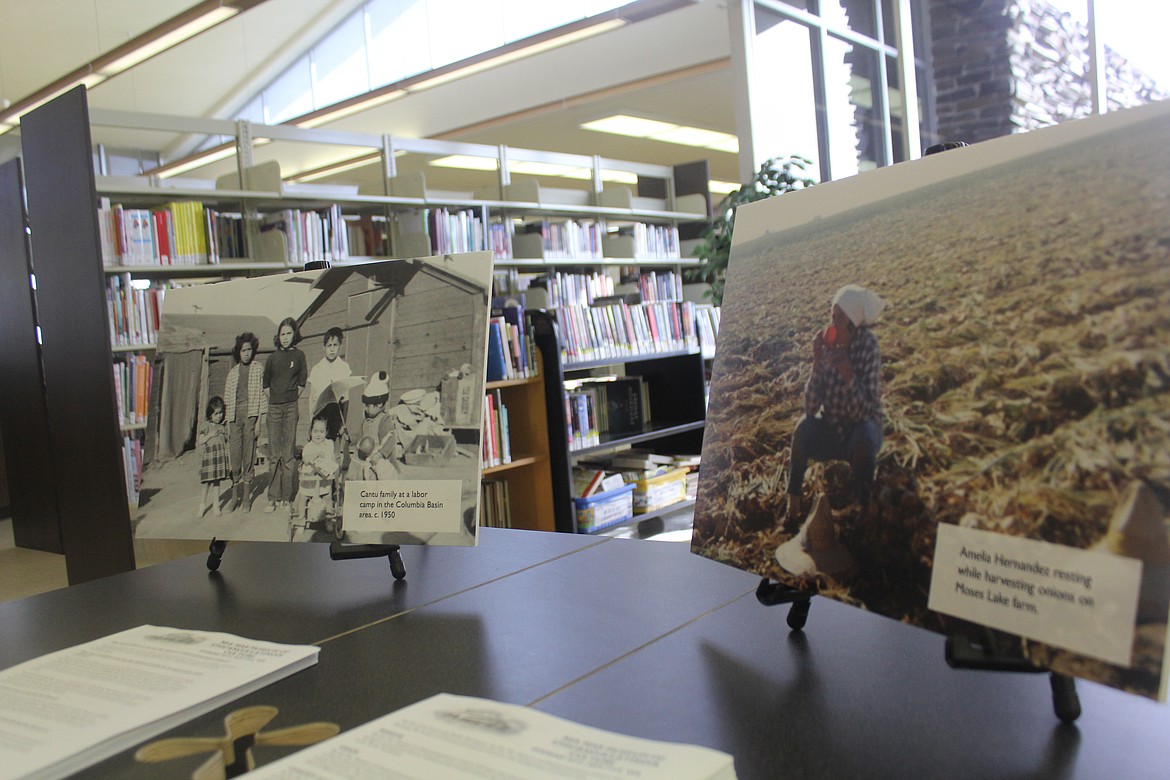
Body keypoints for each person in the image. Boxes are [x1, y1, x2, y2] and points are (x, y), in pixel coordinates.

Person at [786, 284, 886, 519]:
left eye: (839, 319)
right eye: (832, 316)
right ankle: (792, 506)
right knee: (802, 430)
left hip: (860, 432)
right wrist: (817, 363)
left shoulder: (867, 346)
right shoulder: (828, 348)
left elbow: (865, 412)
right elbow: (810, 408)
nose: (832, 325)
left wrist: (847, 373)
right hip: (833, 430)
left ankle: (863, 507)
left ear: (852, 327)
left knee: (865, 437)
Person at [263, 317, 307, 515]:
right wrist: (276, 399)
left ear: (294, 334)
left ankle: (287, 497)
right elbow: (265, 385)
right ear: (278, 336)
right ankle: (273, 498)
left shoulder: (299, 356)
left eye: (289, 333)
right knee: (274, 455)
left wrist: (289, 399)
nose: (285, 337)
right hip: (273, 408)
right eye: (282, 334)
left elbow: (302, 384)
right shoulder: (272, 358)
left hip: (291, 407)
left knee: (288, 455)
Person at [223, 331, 265, 511]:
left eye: (249, 350)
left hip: (250, 415)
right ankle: (234, 496)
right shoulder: (232, 373)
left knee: (249, 455)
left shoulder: (258, 369)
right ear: (238, 353)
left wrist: (258, 422)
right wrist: (226, 423)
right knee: (235, 456)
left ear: (253, 350)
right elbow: (226, 399)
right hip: (234, 417)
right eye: (242, 350)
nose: (246, 353)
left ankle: (247, 497)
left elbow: (262, 396)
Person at [307, 327, 352, 441]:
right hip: (320, 411)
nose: (332, 349)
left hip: (336, 411)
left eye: (335, 345)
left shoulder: (343, 367)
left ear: (340, 347)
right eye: (329, 345)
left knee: (332, 444)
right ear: (324, 348)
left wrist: (343, 423)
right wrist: (310, 420)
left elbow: (346, 398)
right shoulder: (317, 368)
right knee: (318, 443)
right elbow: (312, 397)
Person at [357, 371, 401, 479]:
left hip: (380, 460)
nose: (366, 409)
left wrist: (381, 454)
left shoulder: (384, 420)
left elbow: (390, 439)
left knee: (381, 479)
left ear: (379, 404)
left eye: (368, 406)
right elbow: (360, 438)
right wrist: (357, 443)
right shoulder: (365, 421)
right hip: (366, 459)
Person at [295, 414, 339, 521]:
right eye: (315, 432)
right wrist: (317, 454)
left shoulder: (328, 444)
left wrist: (331, 463)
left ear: (326, 432)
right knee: (303, 497)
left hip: (323, 479)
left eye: (321, 432)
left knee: (327, 497)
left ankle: (329, 518)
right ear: (310, 432)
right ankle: (301, 518)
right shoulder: (309, 446)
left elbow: (332, 458)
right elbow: (305, 459)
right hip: (310, 480)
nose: (318, 435)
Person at [198, 396, 230, 517]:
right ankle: (202, 506)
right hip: (210, 457)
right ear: (210, 414)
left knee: (217, 482)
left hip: (220, 457)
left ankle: (216, 505)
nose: (219, 416)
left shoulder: (222, 427)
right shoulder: (206, 425)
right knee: (206, 483)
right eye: (216, 413)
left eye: (221, 413)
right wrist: (210, 435)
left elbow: (225, 441)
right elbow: (201, 440)